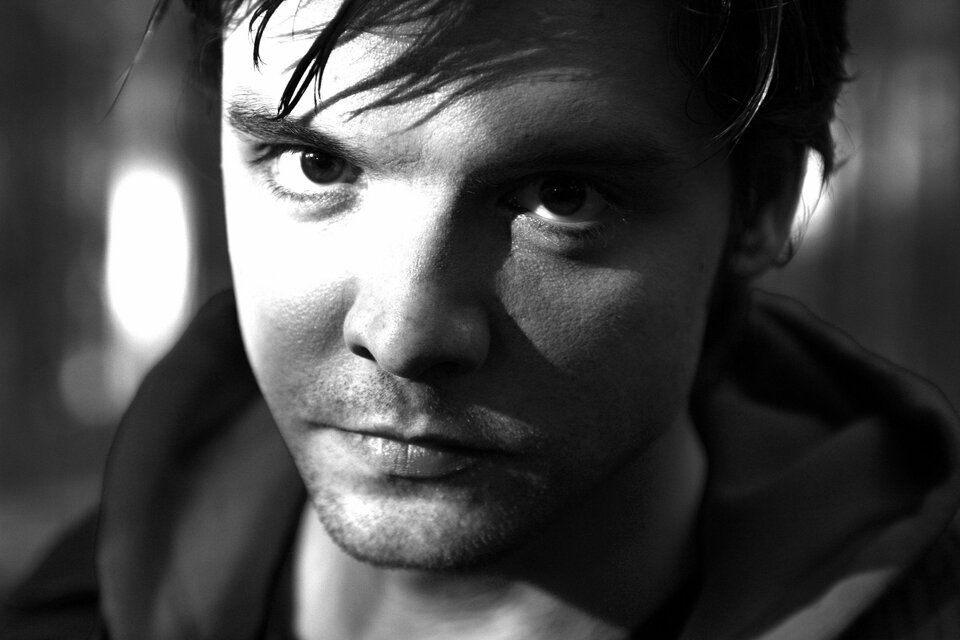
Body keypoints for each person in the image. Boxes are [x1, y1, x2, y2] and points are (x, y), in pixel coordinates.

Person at [4, 0, 960, 638]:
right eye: (315, 166)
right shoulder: (65, 606)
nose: (405, 334)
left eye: (561, 196)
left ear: (766, 206)